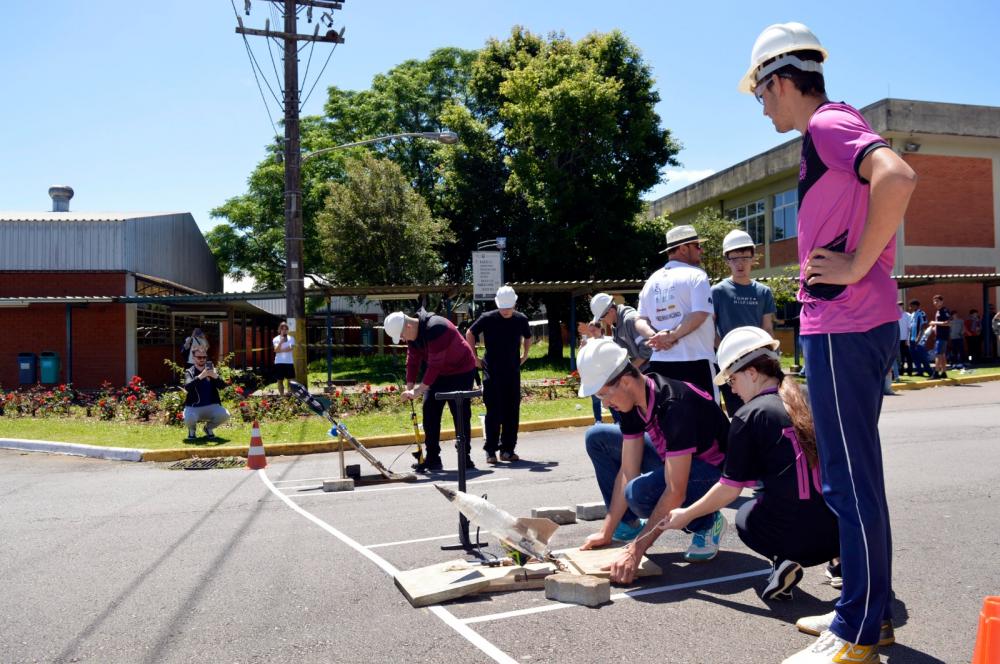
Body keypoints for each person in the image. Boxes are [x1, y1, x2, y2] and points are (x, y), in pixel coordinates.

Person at [740, 21, 917, 662]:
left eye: (761, 93)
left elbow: (896, 176)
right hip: (843, 327)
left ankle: (860, 631)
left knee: (848, 481)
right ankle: (864, 613)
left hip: (845, 328)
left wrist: (856, 263)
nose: (761, 105)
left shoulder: (827, 125)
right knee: (853, 478)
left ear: (783, 81)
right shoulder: (825, 135)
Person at [660, 327, 839, 601]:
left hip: (799, 540)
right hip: (839, 531)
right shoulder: (808, 394)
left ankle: (784, 558)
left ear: (752, 373)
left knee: (746, 515)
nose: (731, 389)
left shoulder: (748, 414)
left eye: (731, 380)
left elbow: (729, 489)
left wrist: (686, 515)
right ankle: (842, 564)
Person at [576, 338, 731, 584]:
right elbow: (628, 469)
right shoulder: (632, 401)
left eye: (604, 394)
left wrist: (635, 551)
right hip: (678, 459)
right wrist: (606, 532)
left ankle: (706, 519)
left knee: (639, 494)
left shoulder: (673, 405)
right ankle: (628, 525)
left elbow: (675, 491)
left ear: (625, 381)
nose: (604, 403)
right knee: (597, 437)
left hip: (714, 474)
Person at [384, 309, 478, 472]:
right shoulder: (413, 335)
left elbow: (434, 364)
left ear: (407, 326)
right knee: (430, 412)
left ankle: (465, 457)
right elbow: (412, 361)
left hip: (461, 370)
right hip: (440, 373)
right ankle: (433, 458)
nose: (402, 339)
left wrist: (419, 390)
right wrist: (409, 388)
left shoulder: (436, 327)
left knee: (460, 413)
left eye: (401, 336)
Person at [635, 225, 718, 396]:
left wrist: (656, 338)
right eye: (697, 246)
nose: (700, 251)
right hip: (696, 360)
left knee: (669, 419)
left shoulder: (651, 280)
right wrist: (670, 336)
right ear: (683, 248)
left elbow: (640, 320)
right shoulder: (696, 275)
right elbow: (700, 313)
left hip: (660, 364)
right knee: (707, 419)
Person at [711, 229, 777, 415]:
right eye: (734, 259)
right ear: (727, 261)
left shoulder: (764, 292)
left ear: (753, 258)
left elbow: (767, 328)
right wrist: (724, 353)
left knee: (762, 407)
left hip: (758, 360)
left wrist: (771, 356)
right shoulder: (717, 291)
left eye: (745, 258)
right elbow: (710, 329)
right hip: (729, 363)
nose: (740, 264)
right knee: (738, 412)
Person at [465, 286, 531, 464]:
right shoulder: (488, 318)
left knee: (512, 411)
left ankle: (508, 450)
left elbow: (528, 336)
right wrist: (474, 357)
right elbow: (470, 333)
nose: (506, 311)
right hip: (492, 371)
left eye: (509, 308)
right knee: (494, 411)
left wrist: (525, 355)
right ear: (498, 305)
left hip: (512, 371)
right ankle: (491, 451)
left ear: (514, 304)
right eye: (503, 308)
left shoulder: (521, 319)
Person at [183, 350, 230, 440]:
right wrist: (201, 376)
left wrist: (215, 376)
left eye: (204, 357)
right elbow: (187, 387)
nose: (202, 359)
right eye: (199, 357)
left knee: (225, 415)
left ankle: (208, 428)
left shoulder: (212, 370)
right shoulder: (189, 372)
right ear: (193, 358)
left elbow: (223, 386)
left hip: (211, 406)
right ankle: (192, 431)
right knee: (189, 418)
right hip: (194, 407)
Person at [929, 295, 952, 379]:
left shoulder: (944, 310)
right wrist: (934, 328)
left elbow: (948, 323)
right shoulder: (938, 311)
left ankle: (936, 373)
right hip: (939, 336)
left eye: (937, 301)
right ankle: (944, 372)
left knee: (938, 354)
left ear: (942, 301)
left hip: (942, 336)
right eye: (934, 301)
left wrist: (934, 322)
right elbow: (941, 324)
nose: (935, 303)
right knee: (942, 354)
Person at [272, 322, 296, 396]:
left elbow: (291, 348)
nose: (284, 330)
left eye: (286, 329)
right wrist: (281, 342)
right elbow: (276, 349)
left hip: (289, 362)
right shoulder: (275, 339)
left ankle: (290, 395)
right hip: (279, 362)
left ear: (287, 330)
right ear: (280, 330)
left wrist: (279, 350)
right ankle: (282, 397)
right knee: (279, 381)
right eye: (282, 329)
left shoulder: (291, 338)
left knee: (291, 381)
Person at [904, 300, 926, 375]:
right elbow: (910, 327)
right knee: (914, 356)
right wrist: (908, 339)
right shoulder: (912, 314)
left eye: (911, 306)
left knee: (922, 356)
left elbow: (923, 326)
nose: (910, 307)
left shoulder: (921, 313)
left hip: (918, 339)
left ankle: (930, 371)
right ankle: (920, 371)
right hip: (912, 339)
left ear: (916, 305)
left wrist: (918, 337)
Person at [895, 302, 912, 377]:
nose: (899, 307)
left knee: (908, 356)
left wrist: (907, 339)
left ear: (903, 306)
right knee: (900, 357)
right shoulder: (895, 316)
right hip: (898, 339)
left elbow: (909, 328)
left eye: (901, 305)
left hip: (905, 339)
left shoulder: (908, 315)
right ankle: (901, 371)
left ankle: (910, 371)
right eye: (898, 306)